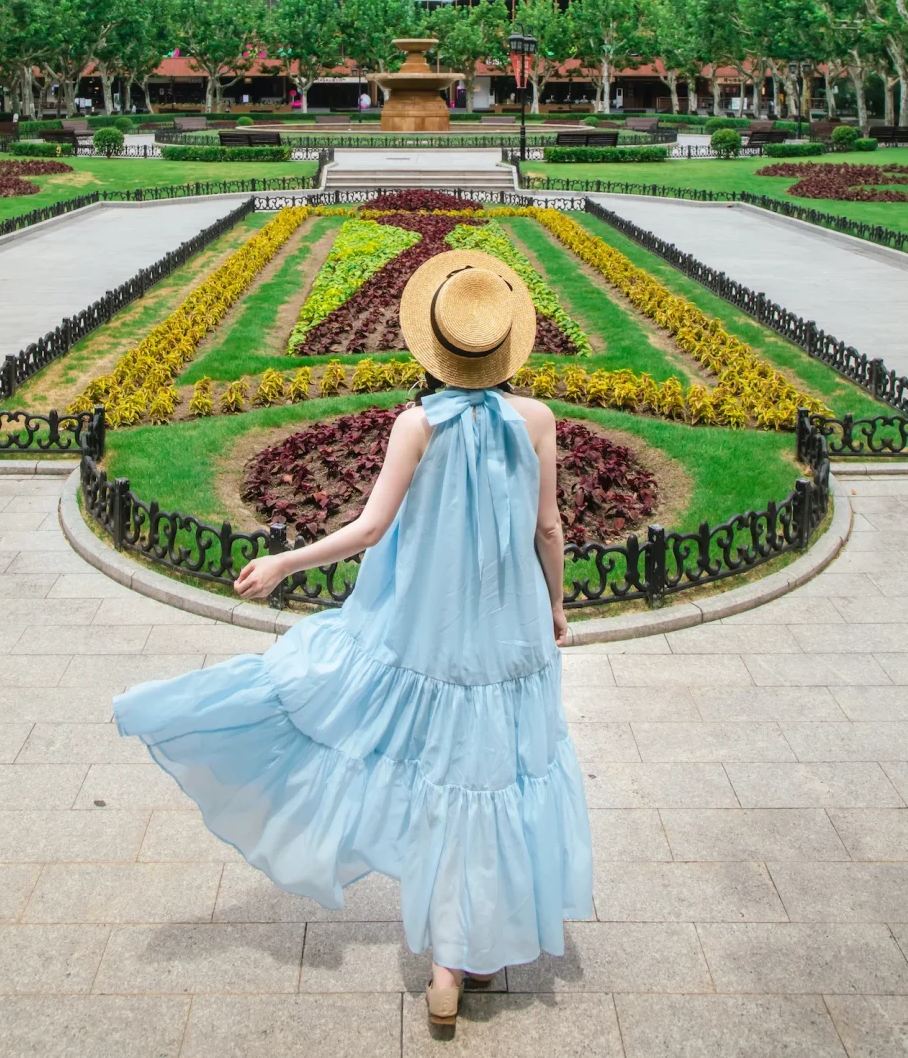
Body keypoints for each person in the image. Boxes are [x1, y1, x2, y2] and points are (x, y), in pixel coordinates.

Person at [113, 249, 592, 1035]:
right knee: (499, 774)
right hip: (510, 639)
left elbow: (371, 527)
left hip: (430, 636)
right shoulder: (535, 419)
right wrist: (558, 607)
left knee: (442, 777)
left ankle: (444, 968)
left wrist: (284, 560)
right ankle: (477, 950)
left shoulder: (416, 424)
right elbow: (549, 526)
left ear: (435, 347)